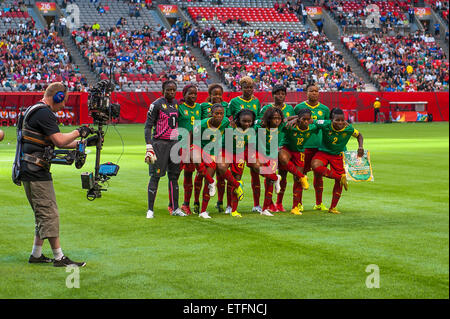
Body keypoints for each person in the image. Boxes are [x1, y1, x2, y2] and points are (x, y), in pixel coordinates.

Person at [18, 82, 92, 267]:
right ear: (58, 96)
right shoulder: (44, 112)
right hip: (36, 170)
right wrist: (78, 131)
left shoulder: (36, 109)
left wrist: (86, 142)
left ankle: (36, 254)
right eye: (64, 100)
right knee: (50, 213)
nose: (64, 105)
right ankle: (59, 258)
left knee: (42, 213)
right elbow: (59, 141)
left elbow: (57, 141)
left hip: (30, 168)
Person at [145, 80, 186, 218]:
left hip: (174, 144)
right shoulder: (156, 104)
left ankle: (175, 208)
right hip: (160, 144)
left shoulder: (176, 104)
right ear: (163, 90)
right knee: (155, 176)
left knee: (174, 177)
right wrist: (149, 145)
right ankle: (150, 210)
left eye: (174, 90)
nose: (171, 92)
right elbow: (148, 126)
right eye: (168, 90)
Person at [311, 108, 364, 214]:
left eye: (342, 120)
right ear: (331, 119)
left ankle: (333, 207)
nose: (340, 123)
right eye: (337, 120)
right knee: (315, 166)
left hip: (338, 155)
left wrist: (360, 147)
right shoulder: (325, 124)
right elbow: (311, 121)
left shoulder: (348, 128)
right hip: (324, 152)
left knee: (338, 183)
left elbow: (359, 135)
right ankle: (340, 178)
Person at [258, 84, 295, 212]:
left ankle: (279, 202)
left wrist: (292, 120)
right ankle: (270, 203)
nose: (280, 96)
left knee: (283, 175)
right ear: (273, 95)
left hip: (284, 145)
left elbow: (296, 118)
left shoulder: (289, 108)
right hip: (270, 146)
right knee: (269, 174)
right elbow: (260, 123)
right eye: (277, 93)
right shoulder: (267, 108)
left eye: (282, 93)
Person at [293, 83, 330, 212]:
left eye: (316, 91)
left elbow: (328, 127)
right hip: (303, 146)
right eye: (311, 91)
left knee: (318, 174)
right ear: (306, 92)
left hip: (319, 147)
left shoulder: (324, 109)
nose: (314, 93)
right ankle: (298, 203)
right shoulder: (299, 107)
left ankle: (319, 203)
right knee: (300, 174)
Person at [228, 76, 262, 214]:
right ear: (241, 88)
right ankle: (230, 205)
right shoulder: (235, 102)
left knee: (256, 172)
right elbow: (228, 118)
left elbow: (258, 120)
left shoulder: (256, 102)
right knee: (236, 174)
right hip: (237, 142)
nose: (248, 90)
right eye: (246, 87)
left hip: (252, 141)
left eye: (251, 87)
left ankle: (256, 204)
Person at [281, 108, 319, 215]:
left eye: (308, 119)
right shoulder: (290, 126)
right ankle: (302, 176)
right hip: (287, 149)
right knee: (283, 159)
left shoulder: (312, 127)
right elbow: (282, 121)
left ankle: (295, 207)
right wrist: (294, 118)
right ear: (299, 119)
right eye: (303, 119)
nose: (306, 122)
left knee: (297, 180)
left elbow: (325, 122)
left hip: (300, 152)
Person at [199, 83, 230, 213]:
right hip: (205, 147)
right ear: (210, 95)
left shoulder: (226, 115)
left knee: (221, 175)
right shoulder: (203, 107)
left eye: (219, 94)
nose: (217, 96)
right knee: (203, 177)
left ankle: (220, 202)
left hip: (220, 147)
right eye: (214, 94)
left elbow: (227, 125)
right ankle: (199, 206)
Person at [177, 84, 202, 216]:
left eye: (195, 94)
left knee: (190, 174)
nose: (193, 96)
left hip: (195, 146)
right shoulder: (179, 107)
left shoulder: (199, 107)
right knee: (175, 175)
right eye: (190, 93)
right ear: (184, 94)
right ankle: (173, 205)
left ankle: (186, 203)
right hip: (181, 146)